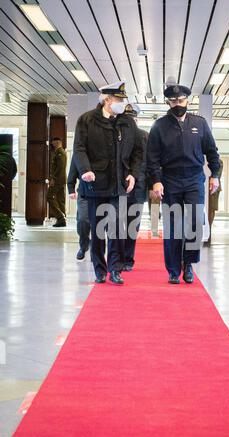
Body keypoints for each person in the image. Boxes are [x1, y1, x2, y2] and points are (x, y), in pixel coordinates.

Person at [147, 83, 220, 284]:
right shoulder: (159, 126)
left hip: (194, 179)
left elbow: (212, 152)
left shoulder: (200, 123)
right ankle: (173, 270)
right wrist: (156, 181)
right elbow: (152, 158)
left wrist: (215, 174)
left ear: (188, 100)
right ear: (168, 102)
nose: (177, 104)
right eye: (173, 101)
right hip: (169, 180)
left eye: (180, 101)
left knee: (195, 222)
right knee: (173, 225)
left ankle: (188, 264)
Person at [72, 81, 143, 285]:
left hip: (118, 185)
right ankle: (99, 269)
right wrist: (85, 170)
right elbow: (79, 149)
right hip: (94, 185)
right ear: (106, 100)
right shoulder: (86, 120)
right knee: (97, 230)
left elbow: (138, 151)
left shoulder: (127, 123)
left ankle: (115, 269)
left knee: (116, 229)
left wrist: (133, 174)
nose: (122, 103)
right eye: (119, 99)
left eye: (123, 99)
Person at [123, 103, 148, 271]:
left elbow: (149, 162)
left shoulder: (145, 136)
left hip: (138, 188)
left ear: (136, 119)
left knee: (132, 225)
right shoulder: (116, 134)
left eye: (132, 117)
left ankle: (127, 259)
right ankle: (117, 257)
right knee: (116, 224)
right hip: (118, 186)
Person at [67, 157, 91, 260]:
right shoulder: (80, 151)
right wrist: (71, 188)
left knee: (98, 224)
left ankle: (96, 252)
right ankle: (84, 245)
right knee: (82, 220)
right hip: (84, 193)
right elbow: (73, 169)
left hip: (102, 192)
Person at [47, 137, 67, 227]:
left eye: (54, 142)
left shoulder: (60, 152)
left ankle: (60, 218)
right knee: (60, 199)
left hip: (58, 179)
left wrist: (53, 178)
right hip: (60, 179)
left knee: (49, 196)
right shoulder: (59, 152)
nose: (52, 144)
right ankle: (63, 219)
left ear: (58, 142)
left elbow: (60, 167)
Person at [205, 158, 223, 246]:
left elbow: (216, 175)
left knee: (211, 210)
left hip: (213, 189)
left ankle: (209, 234)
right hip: (205, 188)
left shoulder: (218, 162)